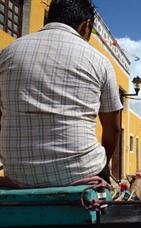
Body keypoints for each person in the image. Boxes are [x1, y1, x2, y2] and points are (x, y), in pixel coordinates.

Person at [0, 0, 122, 187]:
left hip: (18, 175)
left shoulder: (7, 54)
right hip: (83, 173)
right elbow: (113, 129)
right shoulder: (100, 62)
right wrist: (103, 163)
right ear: (86, 25)